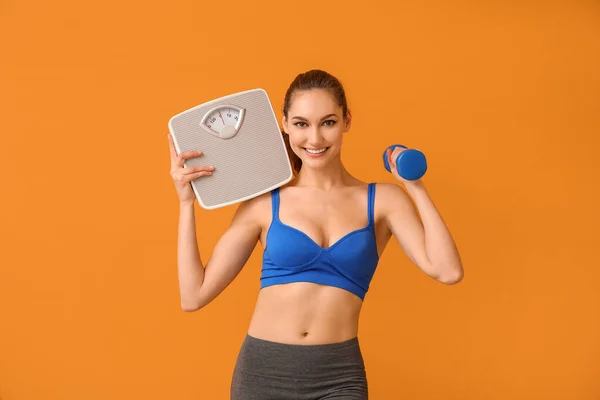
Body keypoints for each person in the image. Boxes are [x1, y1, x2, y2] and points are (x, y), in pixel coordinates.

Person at [167, 70, 464, 400]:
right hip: (263, 374)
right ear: (284, 124)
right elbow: (193, 296)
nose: (315, 139)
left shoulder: (383, 200)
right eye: (301, 124)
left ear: (347, 121)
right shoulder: (265, 203)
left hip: (338, 376)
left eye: (328, 122)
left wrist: (415, 187)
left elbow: (448, 270)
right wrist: (186, 204)